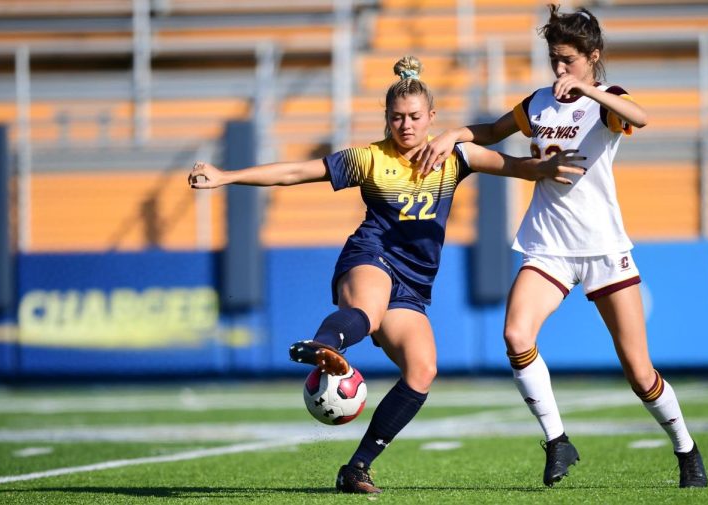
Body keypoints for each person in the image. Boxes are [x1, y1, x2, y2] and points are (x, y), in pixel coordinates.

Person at [189, 55, 585, 494]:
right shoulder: (369, 159)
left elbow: (511, 165)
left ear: (431, 117)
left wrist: (544, 168)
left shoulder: (456, 156)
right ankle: (325, 347)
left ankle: (356, 468)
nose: (406, 125)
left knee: (423, 370)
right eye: (397, 118)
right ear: (386, 119)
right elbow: (295, 173)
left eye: (415, 116)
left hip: (413, 284)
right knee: (368, 310)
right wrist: (226, 176)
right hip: (370, 256)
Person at [417, 5, 708, 489]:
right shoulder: (538, 103)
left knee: (640, 372)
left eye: (567, 59)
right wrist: (453, 134)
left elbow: (641, 116)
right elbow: (492, 132)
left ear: (592, 57)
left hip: (602, 249)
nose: (558, 69)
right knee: (515, 336)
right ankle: (557, 441)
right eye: (553, 59)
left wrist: (589, 88)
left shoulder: (605, 100)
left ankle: (686, 448)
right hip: (549, 245)